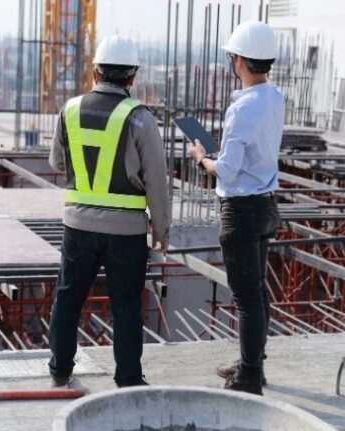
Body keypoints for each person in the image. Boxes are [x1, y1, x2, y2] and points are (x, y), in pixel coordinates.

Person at [47, 35, 170, 388]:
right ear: (132, 77)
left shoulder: (69, 110)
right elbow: (157, 183)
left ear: (95, 71)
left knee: (68, 297)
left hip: (79, 227)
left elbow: (57, 161)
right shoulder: (140, 118)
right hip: (127, 233)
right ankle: (128, 379)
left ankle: (60, 369)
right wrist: (161, 232)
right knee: (127, 306)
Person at [187, 21, 283, 396]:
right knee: (257, 292)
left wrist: (200, 157)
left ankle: (250, 376)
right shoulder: (274, 97)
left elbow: (225, 170)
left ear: (238, 60)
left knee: (247, 298)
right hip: (266, 205)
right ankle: (250, 364)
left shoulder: (242, 108)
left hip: (241, 209)